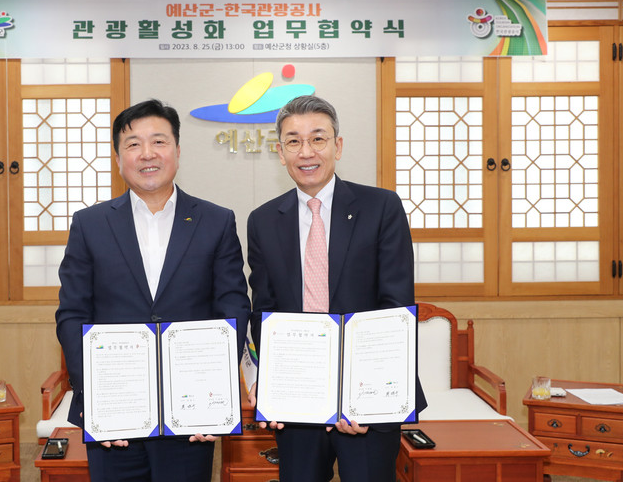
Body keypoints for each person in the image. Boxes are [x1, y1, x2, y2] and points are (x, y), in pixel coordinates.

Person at [56, 99, 251, 482]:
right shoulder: (90, 224)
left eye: (159, 141)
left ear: (177, 150)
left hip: (191, 413)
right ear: (118, 158)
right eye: (133, 144)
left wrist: (218, 393)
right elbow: (72, 314)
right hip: (115, 412)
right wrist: (96, 397)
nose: (147, 153)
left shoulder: (216, 221)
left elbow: (232, 306)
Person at [246, 95, 427, 482]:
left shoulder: (381, 207)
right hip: (298, 399)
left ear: (337, 146)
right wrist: (270, 381)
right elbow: (265, 312)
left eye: (318, 138)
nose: (306, 152)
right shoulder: (262, 221)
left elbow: (395, 307)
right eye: (293, 141)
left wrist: (366, 395)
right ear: (280, 152)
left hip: (368, 401)